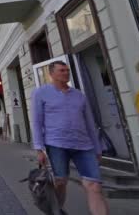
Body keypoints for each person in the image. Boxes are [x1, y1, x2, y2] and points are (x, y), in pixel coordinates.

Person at [32, 61, 108, 215]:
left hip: (84, 146)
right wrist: (39, 148)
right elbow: (36, 121)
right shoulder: (41, 93)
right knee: (60, 182)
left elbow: (90, 124)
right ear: (51, 74)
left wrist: (97, 148)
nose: (66, 73)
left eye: (67, 70)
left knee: (94, 185)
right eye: (61, 70)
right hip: (56, 144)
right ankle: (56, 210)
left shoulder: (79, 95)